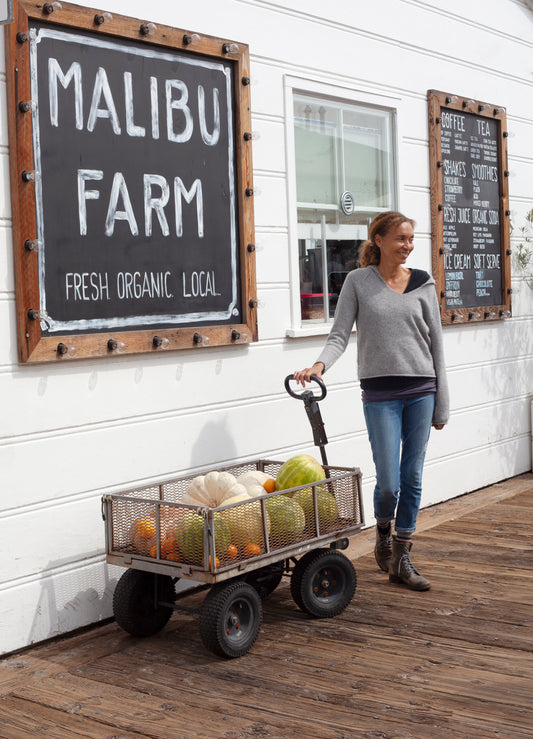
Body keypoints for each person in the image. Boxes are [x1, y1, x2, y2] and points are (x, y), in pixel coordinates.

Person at [293, 211, 449, 591]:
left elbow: (437, 347)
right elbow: (339, 335)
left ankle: (402, 554)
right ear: (378, 240)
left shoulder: (424, 284)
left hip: (421, 391)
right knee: (389, 484)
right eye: (400, 238)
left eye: (411, 239)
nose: (408, 246)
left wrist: (441, 403)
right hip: (380, 395)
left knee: (412, 477)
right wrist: (318, 365)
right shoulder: (358, 282)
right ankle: (383, 529)